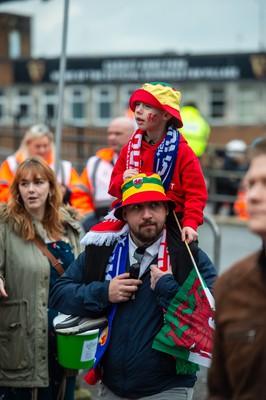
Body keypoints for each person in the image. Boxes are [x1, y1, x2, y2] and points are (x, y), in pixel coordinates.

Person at [50, 172, 217, 400]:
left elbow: (213, 316)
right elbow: (59, 293)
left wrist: (169, 289)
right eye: (137, 208)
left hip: (167, 388)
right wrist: (104, 292)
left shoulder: (187, 254)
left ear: (167, 210)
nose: (147, 215)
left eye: (154, 206)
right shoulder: (102, 249)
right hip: (111, 387)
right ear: (125, 214)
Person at [0, 156, 82, 400]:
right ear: (17, 189)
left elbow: (85, 277)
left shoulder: (70, 228)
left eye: (38, 182)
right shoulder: (5, 226)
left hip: (65, 342)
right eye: (24, 184)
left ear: (51, 187)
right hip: (23, 342)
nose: (31, 190)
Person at [108, 82, 208, 244]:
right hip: (133, 219)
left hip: (173, 220)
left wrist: (190, 224)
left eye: (147, 106)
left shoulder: (182, 151)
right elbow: (113, 187)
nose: (138, 110)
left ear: (166, 115)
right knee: (98, 249)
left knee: (189, 261)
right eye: (137, 105)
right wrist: (122, 179)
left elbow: (196, 194)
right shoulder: (130, 148)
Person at [207, 137, 266, 399]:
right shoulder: (231, 287)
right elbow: (220, 391)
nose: (251, 196)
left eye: (265, 184)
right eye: (250, 184)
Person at [0, 123, 95, 224]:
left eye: (45, 146)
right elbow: (3, 193)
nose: (42, 150)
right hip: (19, 218)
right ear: (28, 144)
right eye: (38, 146)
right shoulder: (12, 165)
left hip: (58, 218)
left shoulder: (64, 168)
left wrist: (67, 194)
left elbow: (79, 196)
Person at [80, 116, 135, 228]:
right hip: (99, 220)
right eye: (109, 133)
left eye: (118, 134)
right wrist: (88, 217)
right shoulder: (95, 162)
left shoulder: (140, 160)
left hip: (132, 220)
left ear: (132, 135)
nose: (112, 137)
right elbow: (81, 193)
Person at [214, 139, 249, 216]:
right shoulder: (228, 163)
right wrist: (237, 184)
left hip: (227, 191)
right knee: (218, 205)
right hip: (224, 190)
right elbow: (229, 180)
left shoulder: (232, 163)